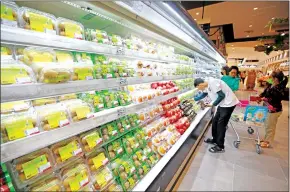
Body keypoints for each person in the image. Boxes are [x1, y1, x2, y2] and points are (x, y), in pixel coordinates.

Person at [193, 77, 239, 153]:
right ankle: (215, 140)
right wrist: (195, 99)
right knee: (215, 122)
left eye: (198, 88)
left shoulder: (213, 83)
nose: (199, 90)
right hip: (222, 104)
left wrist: (213, 105)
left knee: (221, 125)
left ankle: (220, 146)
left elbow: (221, 95)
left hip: (229, 103)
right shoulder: (206, 85)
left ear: (200, 84)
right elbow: (204, 93)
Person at [258, 71, 285, 148]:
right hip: (267, 108)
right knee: (267, 125)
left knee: (270, 126)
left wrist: (264, 99)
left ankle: (267, 142)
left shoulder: (280, 88)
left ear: (276, 78)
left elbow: (275, 99)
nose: (270, 78)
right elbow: (265, 93)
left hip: (274, 110)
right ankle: (266, 139)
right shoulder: (271, 85)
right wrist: (260, 97)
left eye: (271, 77)